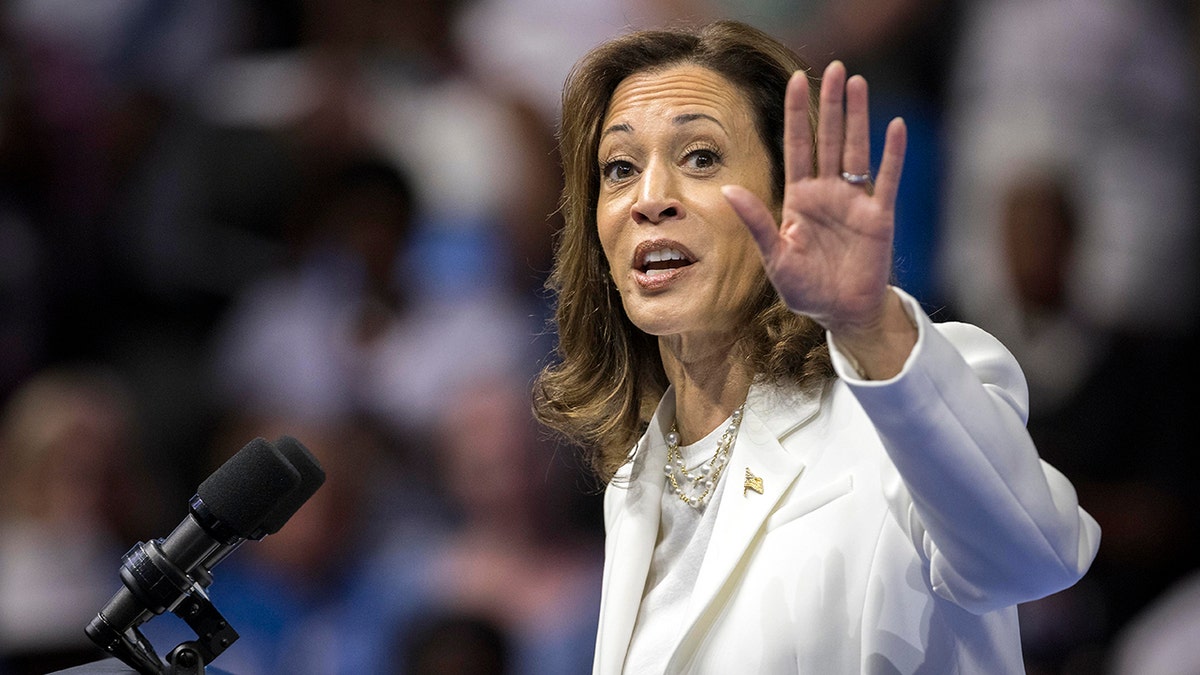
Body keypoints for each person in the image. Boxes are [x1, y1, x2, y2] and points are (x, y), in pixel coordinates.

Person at [531, 20, 1100, 673]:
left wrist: (870, 324)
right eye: (620, 168)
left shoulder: (900, 404)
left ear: (786, 199)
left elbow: (1031, 557)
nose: (650, 198)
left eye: (701, 157)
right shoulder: (634, 486)